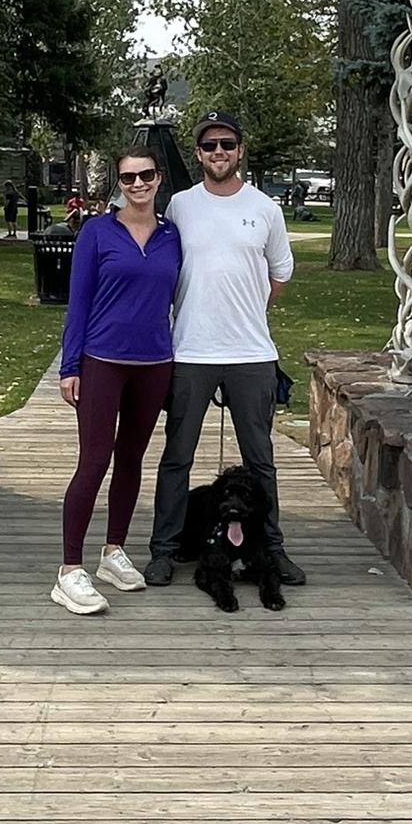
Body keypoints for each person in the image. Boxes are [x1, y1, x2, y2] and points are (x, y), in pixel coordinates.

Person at [146, 111, 305, 587]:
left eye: (227, 144)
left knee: (261, 460)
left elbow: (280, 274)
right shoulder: (180, 206)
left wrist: (247, 310)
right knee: (177, 456)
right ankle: (164, 550)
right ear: (198, 153)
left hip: (251, 355)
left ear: (240, 150)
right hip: (191, 353)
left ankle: (271, 548)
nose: (219, 152)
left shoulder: (266, 208)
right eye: (210, 145)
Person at [51, 148, 182, 616]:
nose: (138, 184)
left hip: (155, 362)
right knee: (94, 461)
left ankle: (113, 551)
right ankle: (70, 570)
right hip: (102, 361)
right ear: (119, 183)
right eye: (128, 178)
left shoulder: (172, 236)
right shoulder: (97, 232)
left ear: (158, 178)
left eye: (145, 175)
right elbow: (79, 302)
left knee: (131, 459)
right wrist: (70, 366)